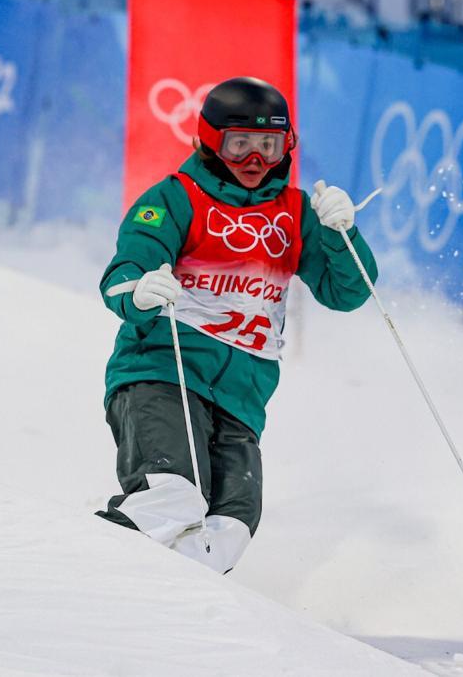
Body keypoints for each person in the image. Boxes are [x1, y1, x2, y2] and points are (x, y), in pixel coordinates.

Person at [96, 76, 377, 574]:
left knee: (232, 523)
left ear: (286, 146)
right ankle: (79, 563)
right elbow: (124, 272)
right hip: (163, 372)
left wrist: (342, 234)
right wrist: (138, 291)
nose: (254, 161)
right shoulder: (175, 199)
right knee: (173, 493)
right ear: (208, 141)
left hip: (243, 395)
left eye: (268, 146)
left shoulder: (294, 213)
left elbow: (347, 292)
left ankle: (160, 606)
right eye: (239, 145)